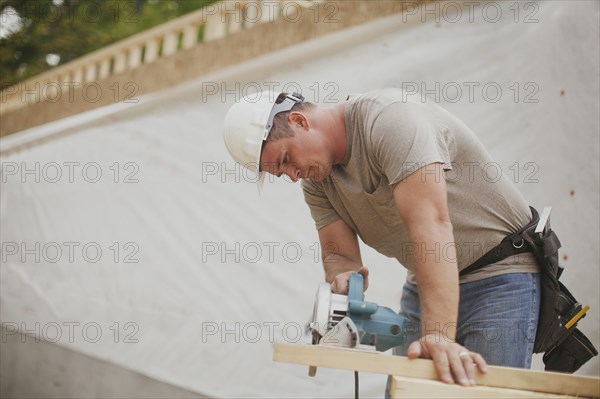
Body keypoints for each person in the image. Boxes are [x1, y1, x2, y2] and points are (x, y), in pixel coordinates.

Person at [222, 88, 541, 386]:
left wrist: (438, 334)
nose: (292, 175)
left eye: (285, 160)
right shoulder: (317, 179)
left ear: (299, 121)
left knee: (485, 390)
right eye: (281, 173)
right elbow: (339, 255)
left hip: (499, 274)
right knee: (410, 391)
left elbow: (431, 223)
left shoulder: (390, 121)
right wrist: (343, 279)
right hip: (425, 283)